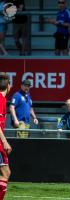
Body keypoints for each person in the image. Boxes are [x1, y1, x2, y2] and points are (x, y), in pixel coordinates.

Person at [0, 72, 12, 200]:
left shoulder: (2, 100)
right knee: (5, 174)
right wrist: (4, 141)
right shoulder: (0, 99)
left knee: (6, 173)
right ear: (8, 86)